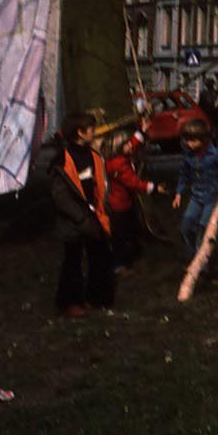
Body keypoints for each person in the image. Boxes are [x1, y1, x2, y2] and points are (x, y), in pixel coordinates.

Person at [49, 109, 114, 318]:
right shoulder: (62, 161)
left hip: (93, 216)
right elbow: (61, 196)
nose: (94, 132)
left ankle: (96, 297)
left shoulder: (93, 156)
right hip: (74, 221)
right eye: (90, 129)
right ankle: (69, 301)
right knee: (72, 263)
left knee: (100, 257)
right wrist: (80, 217)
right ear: (79, 132)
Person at [172, 117, 218, 257]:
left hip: (212, 197)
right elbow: (184, 175)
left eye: (192, 140)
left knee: (203, 230)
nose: (189, 144)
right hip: (196, 197)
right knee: (185, 228)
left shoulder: (216, 155)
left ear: (203, 139)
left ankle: (203, 264)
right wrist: (178, 193)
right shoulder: (189, 156)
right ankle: (194, 254)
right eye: (187, 140)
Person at [104, 122, 160, 274]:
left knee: (129, 227)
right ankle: (119, 263)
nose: (131, 146)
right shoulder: (119, 165)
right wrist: (154, 188)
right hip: (119, 206)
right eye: (127, 144)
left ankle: (134, 248)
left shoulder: (118, 156)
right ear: (119, 147)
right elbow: (134, 183)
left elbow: (133, 144)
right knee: (120, 235)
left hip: (123, 203)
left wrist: (142, 131)